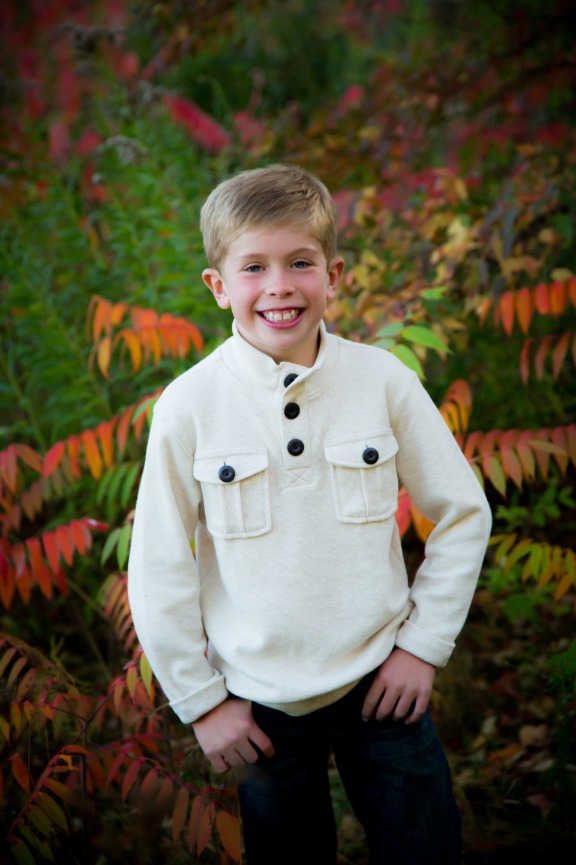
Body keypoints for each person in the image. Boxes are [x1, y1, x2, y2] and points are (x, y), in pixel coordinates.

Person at [127, 163, 492, 865]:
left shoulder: (383, 381)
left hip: (383, 684)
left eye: (300, 262)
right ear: (218, 286)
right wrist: (202, 701)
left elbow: (462, 513)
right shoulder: (190, 406)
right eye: (254, 267)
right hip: (259, 705)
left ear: (334, 274)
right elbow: (159, 565)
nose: (279, 286)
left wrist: (422, 646)